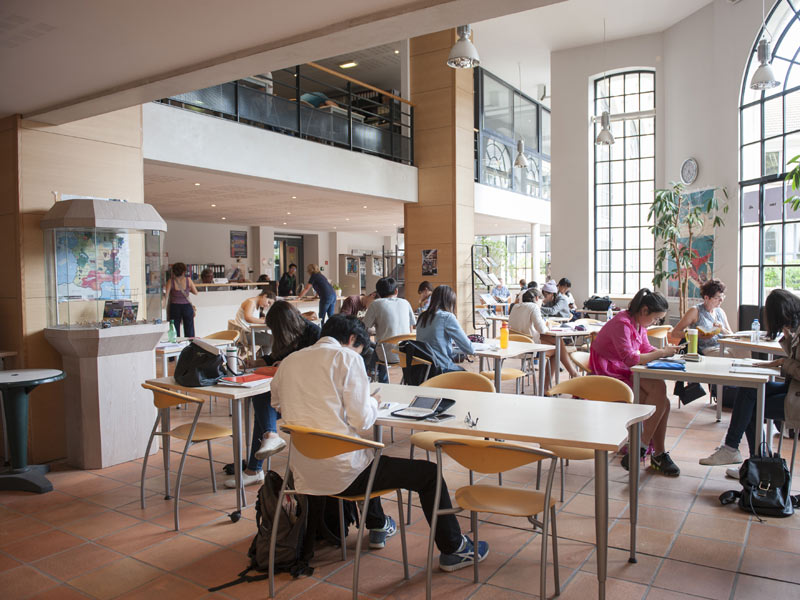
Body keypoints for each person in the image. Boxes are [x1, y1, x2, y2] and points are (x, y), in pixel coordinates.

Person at [270, 314, 488, 568]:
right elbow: (362, 421)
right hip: (344, 476)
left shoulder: (289, 361)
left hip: (303, 474)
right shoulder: (346, 357)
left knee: (366, 457)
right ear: (352, 339)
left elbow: (277, 404)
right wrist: (372, 402)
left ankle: (377, 524)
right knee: (427, 473)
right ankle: (454, 548)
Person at [700, 289, 800, 474]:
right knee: (749, 390)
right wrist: (787, 340)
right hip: (792, 389)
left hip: (796, 398)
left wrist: (785, 362)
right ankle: (752, 461)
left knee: (752, 405)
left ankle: (755, 463)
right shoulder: (796, 330)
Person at [226, 301, 321, 488]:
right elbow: (276, 357)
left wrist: (288, 366)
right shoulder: (293, 333)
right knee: (262, 401)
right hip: (290, 391)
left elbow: (317, 367)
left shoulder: (314, 334)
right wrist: (254, 363)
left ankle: (255, 468)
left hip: (310, 394)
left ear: (283, 326)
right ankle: (265, 445)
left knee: (263, 404)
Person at [589, 288, 681, 476]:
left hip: (622, 367)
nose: (655, 323)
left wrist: (665, 353)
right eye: (655, 318)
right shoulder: (622, 323)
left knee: (662, 397)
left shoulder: (638, 323)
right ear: (644, 310)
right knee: (660, 396)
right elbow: (631, 358)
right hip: (607, 370)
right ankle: (647, 449)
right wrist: (661, 353)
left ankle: (647, 448)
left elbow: (644, 348)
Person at [509, 288, 579, 388]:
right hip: (530, 348)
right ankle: (547, 386)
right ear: (537, 298)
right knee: (557, 350)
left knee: (558, 342)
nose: (542, 304)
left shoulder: (515, 307)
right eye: (542, 301)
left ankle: (572, 374)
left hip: (516, 345)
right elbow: (542, 329)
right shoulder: (533, 307)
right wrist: (548, 326)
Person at [363, 277, 416, 383]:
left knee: (376, 346)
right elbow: (411, 326)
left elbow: (364, 327)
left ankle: (373, 373)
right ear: (396, 290)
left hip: (386, 355)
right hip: (407, 354)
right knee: (380, 346)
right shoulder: (405, 302)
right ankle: (374, 371)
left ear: (378, 293)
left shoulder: (376, 304)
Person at [416, 285, 474, 373]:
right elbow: (470, 349)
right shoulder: (447, 317)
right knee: (471, 378)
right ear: (450, 301)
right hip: (440, 368)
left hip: (422, 370)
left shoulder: (422, 316)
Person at [671, 279, 734, 355]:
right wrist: (696, 334)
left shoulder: (720, 311)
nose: (721, 300)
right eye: (717, 297)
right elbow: (674, 333)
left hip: (723, 347)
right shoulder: (695, 311)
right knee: (729, 355)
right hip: (706, 349)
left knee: (743, 351)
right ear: (706, 298)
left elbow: (732, 336)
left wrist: (722, 329)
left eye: (722, 296)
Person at [236, 289, 276, 354]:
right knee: (272, 340)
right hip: (243, 334)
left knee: (272, 339)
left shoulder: (256, 304)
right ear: (264, 296)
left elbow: (251, 318)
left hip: (248, 332)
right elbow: (248, 318)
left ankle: (258, 360)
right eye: (268, 302)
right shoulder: (251, 302)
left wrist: (261, 319)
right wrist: (264, 321)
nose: (267, 305)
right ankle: (259, 360)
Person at [164, 262, 198, 337]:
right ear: (184, 272)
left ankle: (176, 345)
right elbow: (196, 292)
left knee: (175, 329)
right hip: (187, 307)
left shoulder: (171, 281)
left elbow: (166, 294)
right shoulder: (188, 280)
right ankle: (190, 345)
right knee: (189, 329)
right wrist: (187, 290)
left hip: (175, 307)